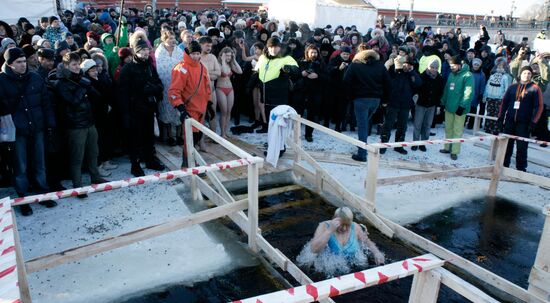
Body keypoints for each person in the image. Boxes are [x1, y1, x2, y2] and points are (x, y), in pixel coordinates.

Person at [0, 48, 57, 216]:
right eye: (18, 62)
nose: (23, 65)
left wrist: (50, 123)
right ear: (9, 64)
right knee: (21, 166)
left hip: (37, 127)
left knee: (40, 163)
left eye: (24, 61)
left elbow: (45, 103)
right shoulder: (1, 81)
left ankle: (42, 193)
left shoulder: (35, 77)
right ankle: (22, 199)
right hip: (17, 131)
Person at [55, 52, 107, 196]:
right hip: (75, 125)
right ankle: (77, 185)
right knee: (77, 156)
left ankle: (95, 176)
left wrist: (89, 85)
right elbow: (72, 102)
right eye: (74, 64)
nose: (77, 67)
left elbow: (97, 97)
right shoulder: (61, 82)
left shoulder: (81, 79)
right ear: (66, 65)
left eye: (78, 64)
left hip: (89, 121)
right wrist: (83, 88)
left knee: (93, 152)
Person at [118, 39, 165, 177]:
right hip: (134, 109)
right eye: (142, 50)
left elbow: (158, 82)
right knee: (135, 139)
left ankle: (150, 159)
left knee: (149, 136)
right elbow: (122, 93)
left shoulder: (150, 66)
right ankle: (135, 164)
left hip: (149, 107)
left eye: (147, 50)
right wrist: (125, 113)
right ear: (136, 52)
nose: (145, 53)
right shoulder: (128, 69)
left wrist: (154, 89)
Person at [168, 41, 212, 167]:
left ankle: (192, 160)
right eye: (193, 53)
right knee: (190, 138)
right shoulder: (181, 68)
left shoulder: (202, 67)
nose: (196, 56)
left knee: (198, 136)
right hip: (189, 109)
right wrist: (181, 108)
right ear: (188, 53)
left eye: (198, 53)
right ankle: (187, 163)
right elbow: (174, 91)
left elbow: (207, 86)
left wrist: (209, 104)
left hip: (201, 109)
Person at [343, 49, 391, 162]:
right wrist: (385, 100)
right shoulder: (380, 67)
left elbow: (346, 81)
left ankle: (362, 154)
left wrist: (350, 97)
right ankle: (362, 143)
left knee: (362, 126)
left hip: (360, 100)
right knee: (365, 122)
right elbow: (388, 84)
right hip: (375, 100)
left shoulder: (355, 66)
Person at [249, 37, 299, 134]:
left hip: (279, 99)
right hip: (266, 98)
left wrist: (288, 68)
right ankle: (272, 146)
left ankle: (280, 148)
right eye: (271, 47)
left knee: (279, 126)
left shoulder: (286, 58)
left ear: (280, 47)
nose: (273, 49)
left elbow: (297, 71)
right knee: (270, 124)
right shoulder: (263, 58)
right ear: (267, 47)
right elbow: (256, 72)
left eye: (276, 47)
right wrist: (249, 86)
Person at [498, 66, 543, 172]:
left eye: (529, 73)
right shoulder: (512, 87)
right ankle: (504, 165)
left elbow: (539, 106)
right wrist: (500, 118)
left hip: (524, 123)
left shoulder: (535, 88)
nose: (526, 75)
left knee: (522, 146)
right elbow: (504, 103)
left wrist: (534, 122)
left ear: (531, 75)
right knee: (507, 144)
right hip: (510, 121)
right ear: (520, 74)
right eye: (524, 73)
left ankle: (521, 168)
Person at [309, 207, 385, 265]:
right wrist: (330, 231)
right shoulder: (324, 226)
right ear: (334, 220)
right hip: (330, 266)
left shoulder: (355, 227)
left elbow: (367, 242)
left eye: (347, 225)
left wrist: (376, 253)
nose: (344, 228)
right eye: (341, 225)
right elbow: (313, 250)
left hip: (352, 264)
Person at [380, 55, 422, 155]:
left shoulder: (410, 74)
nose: (403, 66)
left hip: (405, 104)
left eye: (405, 64)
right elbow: (384, 82)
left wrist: (411, 71)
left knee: (402, 126)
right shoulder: (392, 72)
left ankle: (399, 146)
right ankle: (383, 144)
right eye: (401, 64)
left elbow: (419, 83)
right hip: (393, 103)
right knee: (388, 125)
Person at [440, 56, 474, 160]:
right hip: (449, 106)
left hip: (460, 108)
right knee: (448, 128)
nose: (452, 67)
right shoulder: (451, 74)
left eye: (453, 65)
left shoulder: (467, 75)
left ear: (459, 65)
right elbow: (447, 89)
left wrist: (462, 106)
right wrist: (443, 102)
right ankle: (447, 147)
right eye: (450, 66)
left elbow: (468, 92)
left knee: (457, 130)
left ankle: (454, 151)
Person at [155, 30, 184, 146]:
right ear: (164, 40)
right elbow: (159, 68)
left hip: (178, 84)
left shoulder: (179, 51)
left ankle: (179, 135)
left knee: (178, 108)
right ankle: (169, 137)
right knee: (166, 110)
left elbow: (183, 65)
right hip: (164, 85)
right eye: (170, 39)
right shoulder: (159, 52)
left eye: (174, 38)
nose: (173, 41)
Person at [293, 44, 327, 142]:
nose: (313, 54)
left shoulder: (321, 64)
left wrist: (318, 76)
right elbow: (294, 75)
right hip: (301, 93)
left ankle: (309, 134)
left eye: (315, 52)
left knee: (312, 115)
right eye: (311, 52)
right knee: (298, 114)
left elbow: (328, 78)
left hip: (315, 93)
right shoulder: (301, 62)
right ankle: (296, 134)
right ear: (307, 53)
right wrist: (301, 74)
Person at [412, 59, 445, 150]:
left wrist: (438, 106)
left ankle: (423, 143)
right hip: (421, 104)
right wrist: (415, 99)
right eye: (432, 67)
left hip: (432, 105)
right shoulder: (422, 76)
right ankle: (415, 143)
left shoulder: (439, 79)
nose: (434, 69)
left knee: (427, 125)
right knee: (418, 124)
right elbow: (416, 88)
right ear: (428, 67)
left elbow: (440, 93)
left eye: (436, 68)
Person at [216, 47, 242, 138]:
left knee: (229, 112)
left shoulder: (230, 64)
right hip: (220, 88)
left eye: (230, 56)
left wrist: (234, 60)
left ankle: (226, 131)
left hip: (230, 89)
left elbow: (240, 71)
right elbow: (224, 72)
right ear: (222, 55)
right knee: (224, 111)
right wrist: (223, 60)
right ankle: (222, 133)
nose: (228, 58)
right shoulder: (219, 64)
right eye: (227, 56)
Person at [483, 57, 512, 134]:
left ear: (505, 67)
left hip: (499, 98)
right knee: (489, 112)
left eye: (501, 66)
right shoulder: (492, 76)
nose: (499, 68)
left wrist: (505, 98)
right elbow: (487, 86)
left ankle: (496, 128)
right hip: (490, 96)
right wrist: (485, 95)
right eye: (498, 66)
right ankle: (488, 127)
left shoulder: (506, 77)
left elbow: (507, 88)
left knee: (497, 114)